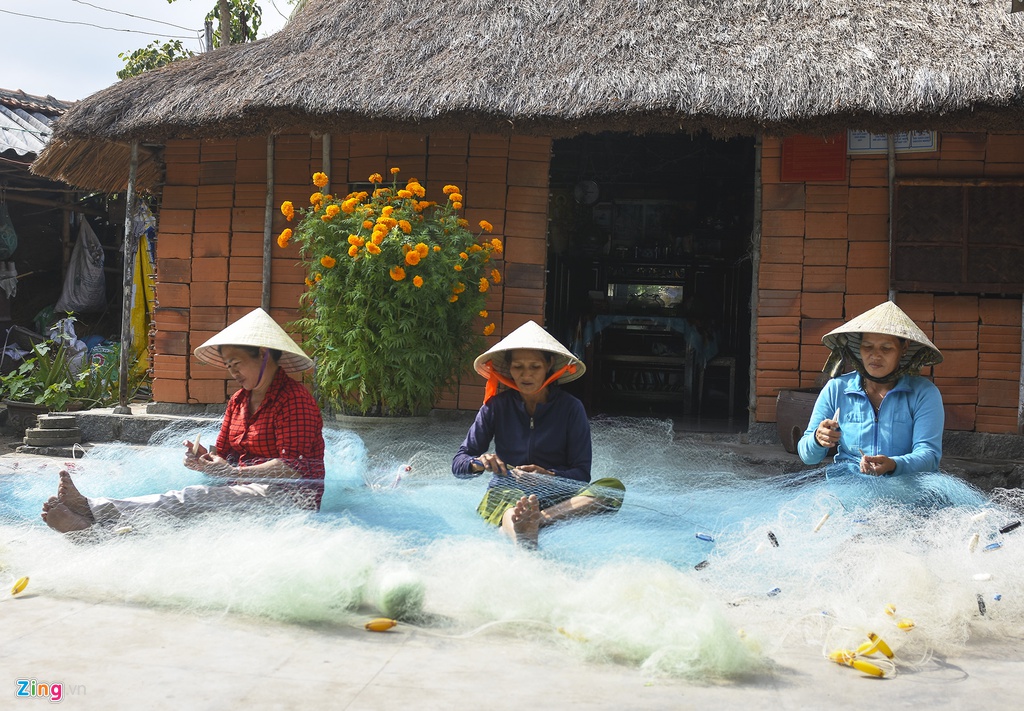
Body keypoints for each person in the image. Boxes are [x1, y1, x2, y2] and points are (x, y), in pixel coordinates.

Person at [41, 308, 326, 534]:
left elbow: (293, 467)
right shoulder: (238, 401)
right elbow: (224, 455)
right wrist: (206, 459)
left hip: (289, 499)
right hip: (244, 490)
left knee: (191, 499)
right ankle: (93, 530)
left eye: (237, 363)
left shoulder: (295, 400)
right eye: (228, 366)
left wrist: (234, 474)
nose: (232, 372)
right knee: (186, 511)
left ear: (264, 355)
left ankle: (90, 508)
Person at [452, 320, 625, 548]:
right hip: (508, 490)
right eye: (518, 367)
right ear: (509, 368)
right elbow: (459, 462)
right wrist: (478, 463)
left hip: (558, 492)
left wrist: (548, 475)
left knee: (613, 488)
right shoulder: (495, 407)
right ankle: (525, 543)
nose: (525, 375)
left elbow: (582, 473)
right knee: (512, 508)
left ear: (549, 365)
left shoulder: (571, 408)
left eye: (534, 366)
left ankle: (539, 519)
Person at [797, 301, 944, 476]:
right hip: (847, 486)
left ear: (903, 348)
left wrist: (894, 465)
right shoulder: (836, 389)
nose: (875, 355)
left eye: (886, 348)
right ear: (859, 348)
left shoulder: (924, 393)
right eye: (867, 346)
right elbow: (808, 457)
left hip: (905, 487)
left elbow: (929, 455)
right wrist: (817, 439)